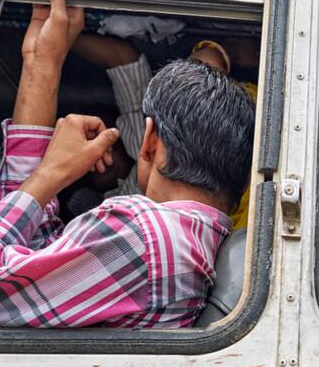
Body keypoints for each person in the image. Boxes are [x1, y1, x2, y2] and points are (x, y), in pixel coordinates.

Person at [0, 0, 256, 328]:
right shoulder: (200, 239)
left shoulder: (141, 233)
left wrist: (50, 176)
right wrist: (41, 64)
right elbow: (38, 253)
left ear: (149, 140)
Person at [72, 29, 257, 230]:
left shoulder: (149, 130)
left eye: (99, 134)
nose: (98, 151)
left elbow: (124, 58)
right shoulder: (117, 221)